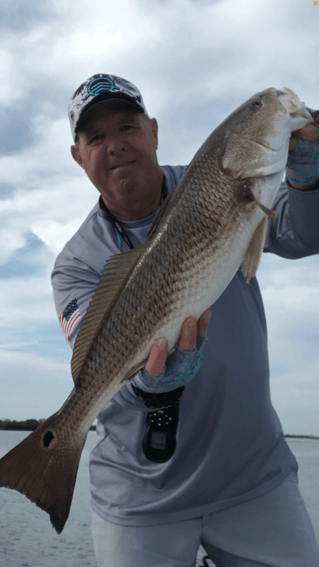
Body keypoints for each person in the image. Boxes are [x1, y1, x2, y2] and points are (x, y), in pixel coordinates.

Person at [51, 74, 319, 567]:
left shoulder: (217, 183)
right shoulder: (75, 264)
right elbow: (95, 365)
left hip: (254, 478)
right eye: (96, 137)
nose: (115, 145)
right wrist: (150, 387)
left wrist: (309, 179)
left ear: (153, 131)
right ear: (78, 155)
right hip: (139, 500)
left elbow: (304, 234)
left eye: (127, 126)